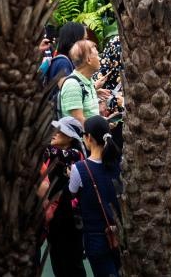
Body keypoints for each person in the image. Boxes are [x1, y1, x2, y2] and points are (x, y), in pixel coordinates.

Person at [68, 115, 122, 277]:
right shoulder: (118, 163)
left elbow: (72, 191)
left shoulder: (79, 168)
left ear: (89, 137)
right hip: (120, 233)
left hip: (95, 236)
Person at [40, 116, 86, 277]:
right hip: (57, 216)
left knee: (70, 262)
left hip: (67, 217)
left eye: (59, 131)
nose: (54, 133)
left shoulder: (71, 155)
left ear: (70, 137)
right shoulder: (55, 154)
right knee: (60, 261)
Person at [60, 39, 102, 125]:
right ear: (89, 60)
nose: (100, 58)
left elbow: (90, 115)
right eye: (97, 55)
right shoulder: (73, 85)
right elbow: (79, 122)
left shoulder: (88, 81)